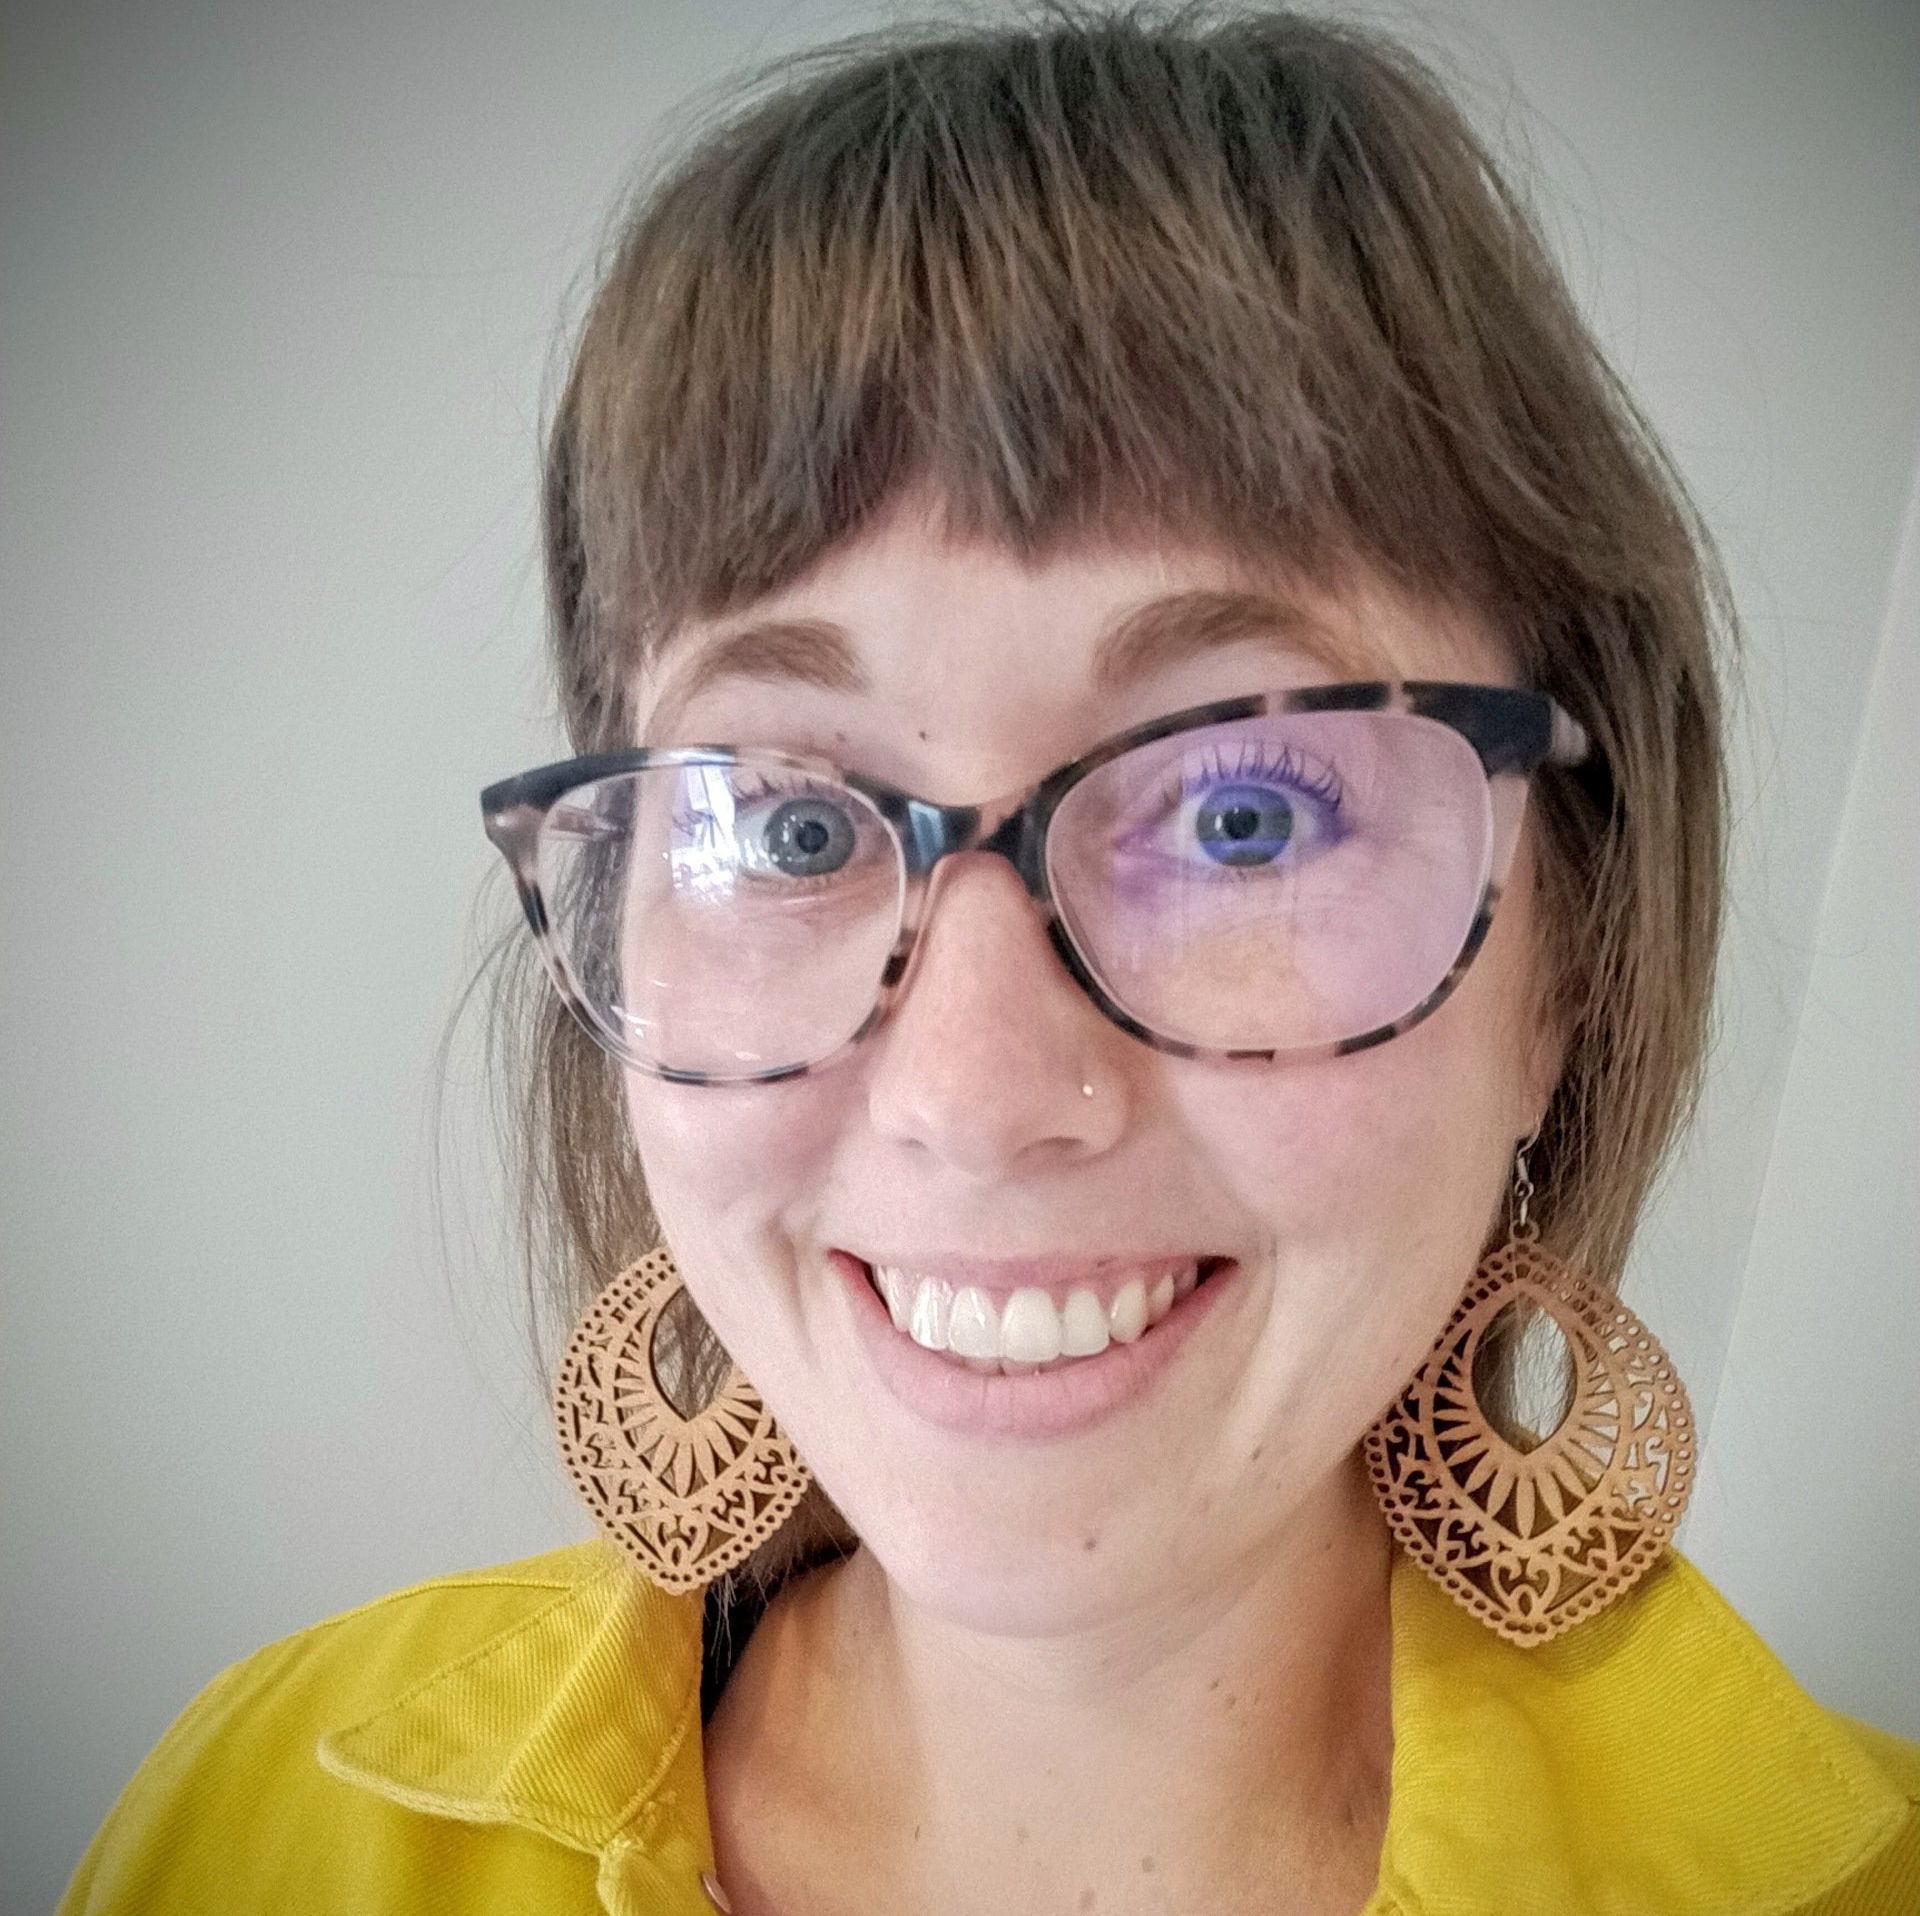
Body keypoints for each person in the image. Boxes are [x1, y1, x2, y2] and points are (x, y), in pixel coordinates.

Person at [57, 8, 1919, 1914]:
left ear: (1576, 957)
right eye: (788, 826)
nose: (975, 1101)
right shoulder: (260, 1819)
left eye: (1243, 813)